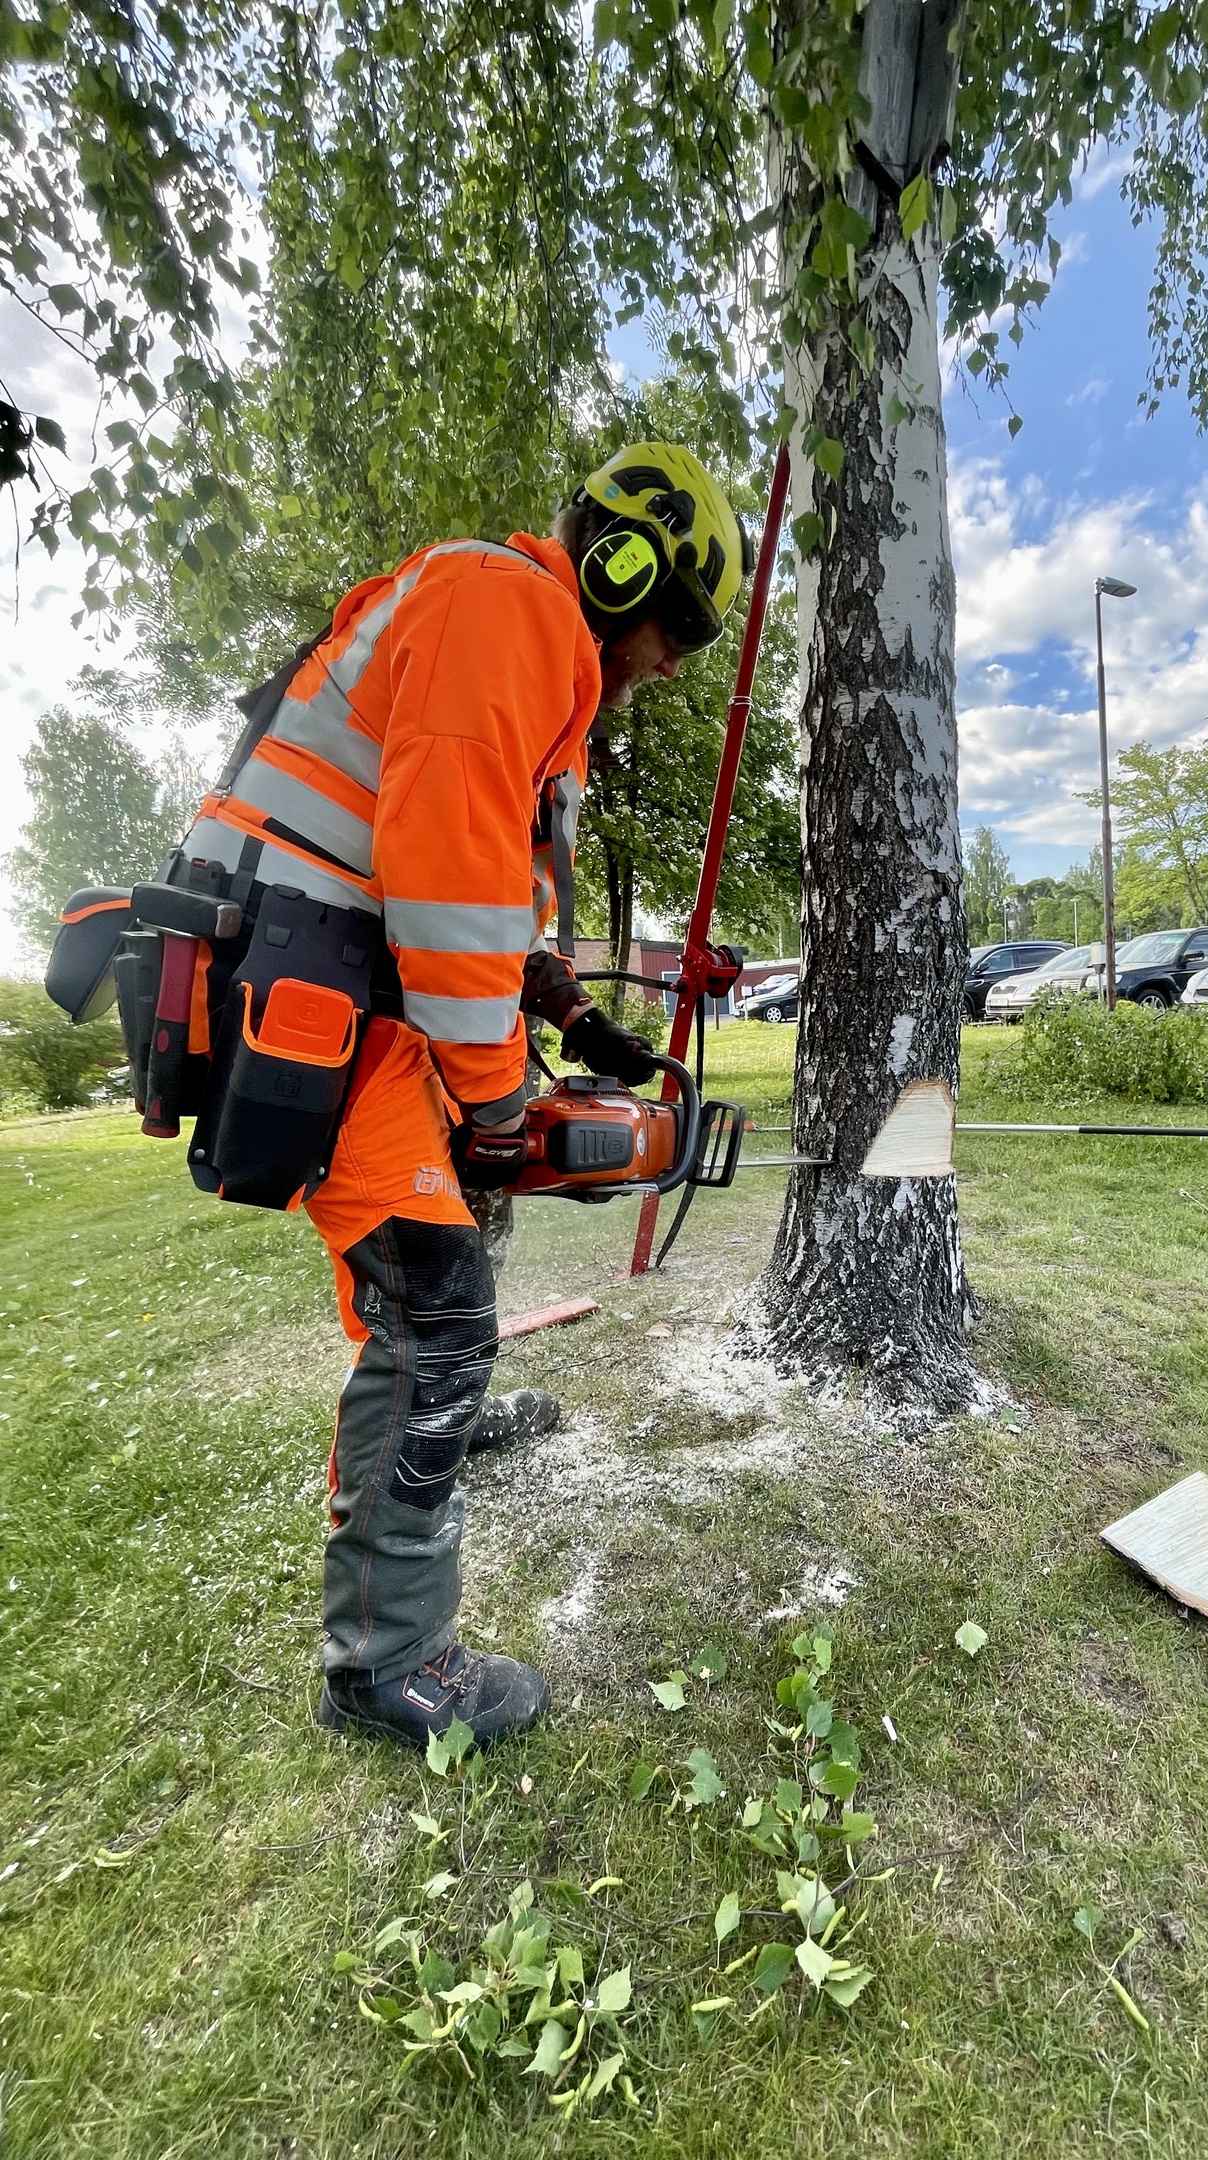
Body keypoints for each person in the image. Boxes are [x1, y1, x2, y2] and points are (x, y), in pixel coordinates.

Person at [173, 444, 751, 1749]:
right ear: (627, 570)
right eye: (674, 635)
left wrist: (573, 1018)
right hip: (314, 991)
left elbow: (483, 893)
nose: (665, 667)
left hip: (349, 987)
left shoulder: (526, 652)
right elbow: (438, 871)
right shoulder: (517, 612)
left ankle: (451, 1421)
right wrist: (497, 1099)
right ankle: (382, 1666)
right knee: (438, 1302)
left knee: (444, 1272)